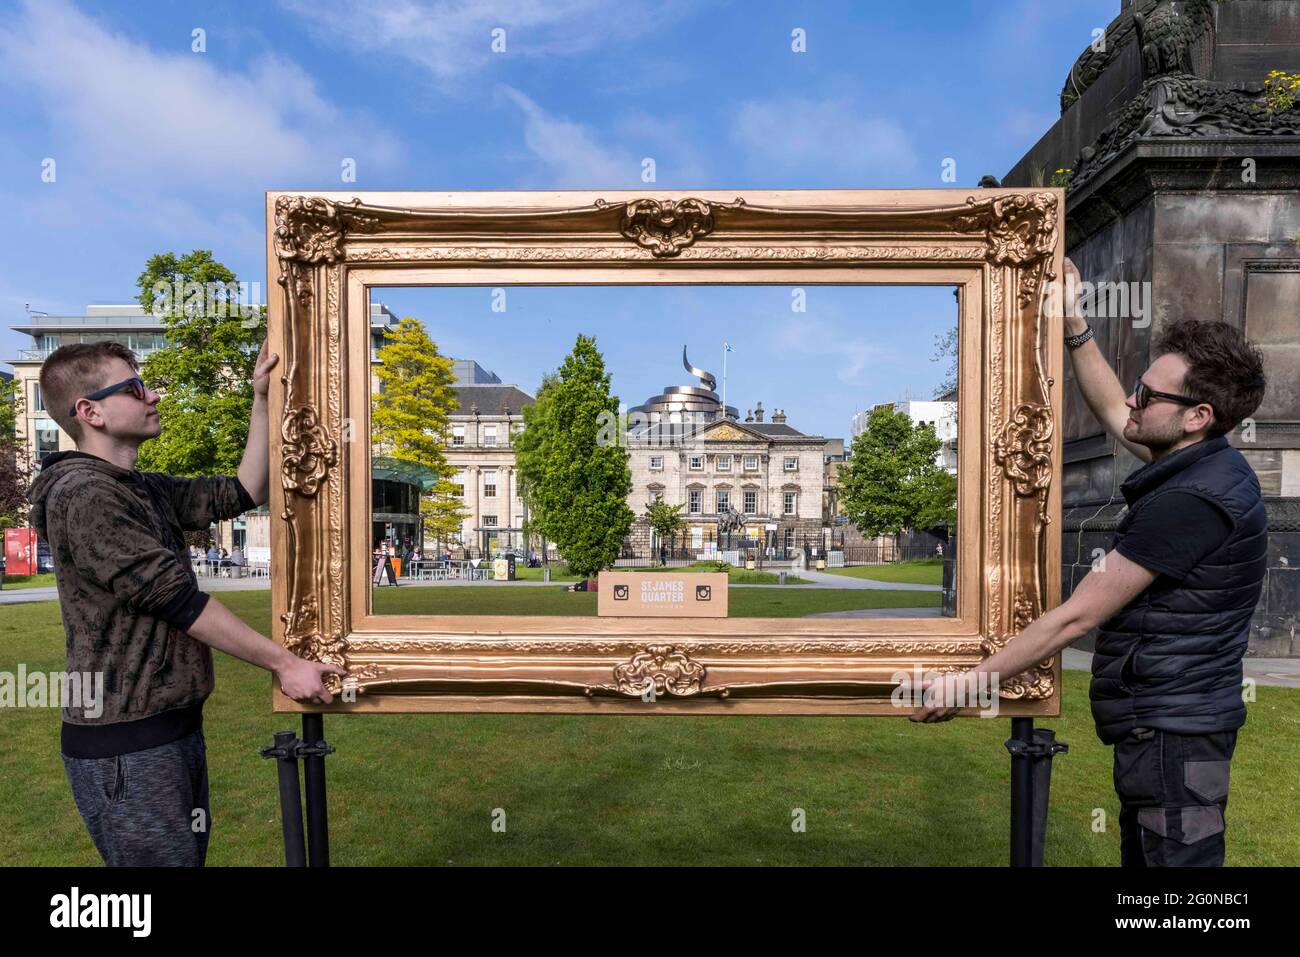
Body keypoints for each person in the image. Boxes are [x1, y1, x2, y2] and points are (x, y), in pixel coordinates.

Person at [912, 259, 1269, 868]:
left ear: (1197, 416)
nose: (1135, 398)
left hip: (1174, 737)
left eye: (1150, 395)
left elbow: (1074, 620)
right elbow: (1112, 413)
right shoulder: (1197, 460)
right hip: (1169, 729)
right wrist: (1074, 323)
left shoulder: (1191, 501)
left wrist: (965, 682)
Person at [28, 339, 343, 867]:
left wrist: (261, 399)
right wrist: (285, 663)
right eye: (133, 387)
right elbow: (180, 601)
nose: (152, 396)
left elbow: (246, 490)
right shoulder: (84, 494)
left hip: (169, 730)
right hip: (126, 744)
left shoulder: (141, 487)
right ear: (90, 412)